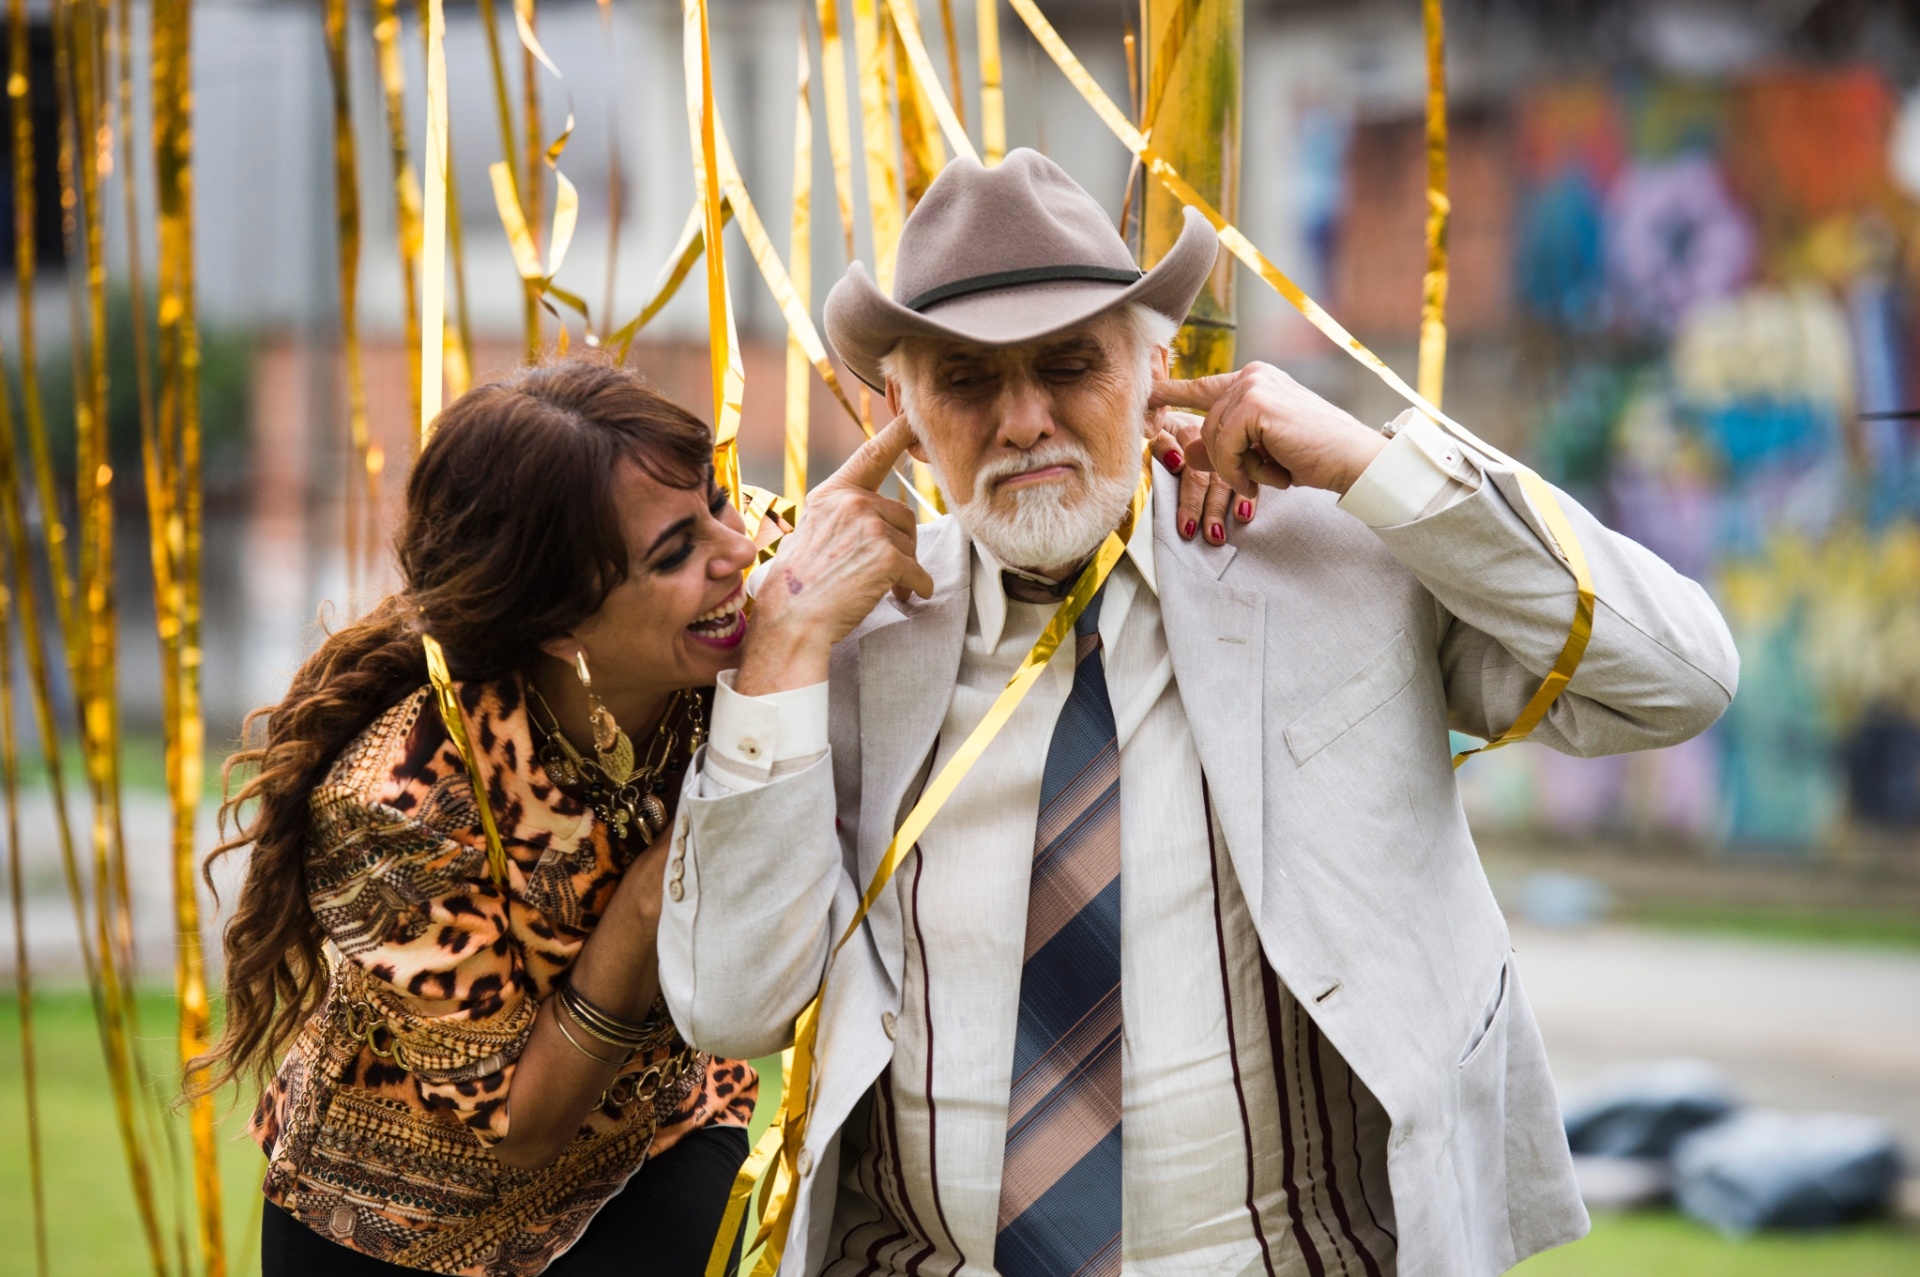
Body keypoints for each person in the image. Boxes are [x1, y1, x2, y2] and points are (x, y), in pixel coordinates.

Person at [657, 151, 1740, 1276]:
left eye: (1070, 364)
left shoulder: (1339, 561)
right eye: (969, 382)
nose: (1025, 419)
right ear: (903, 413)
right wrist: (779, 658)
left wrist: (1376, 467)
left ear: (1155, 362)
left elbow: (1678, 679)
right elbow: (732, 1007)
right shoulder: (839, 643)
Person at [199, 360, 767, 1276]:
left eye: (720, 501)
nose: (737, 550)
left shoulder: (731, 607)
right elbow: (522, 1122)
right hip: (399, 1228)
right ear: (559, 624)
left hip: (658, 1140)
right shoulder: (399, 805)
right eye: (674, 551)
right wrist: (655, 895)